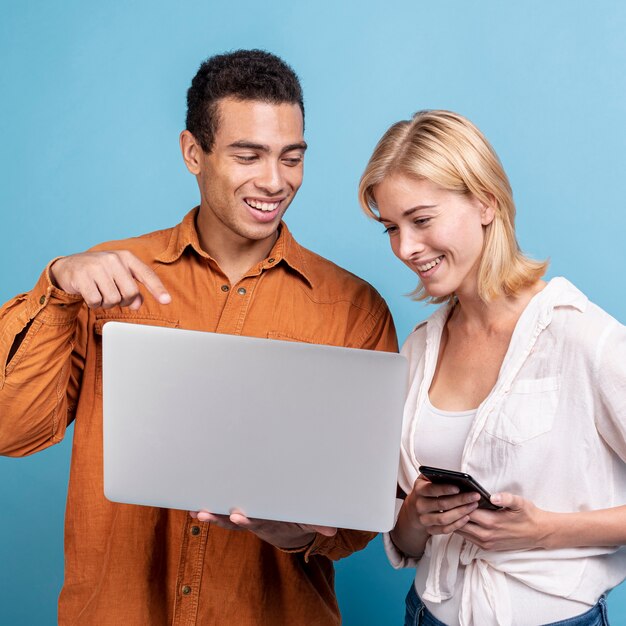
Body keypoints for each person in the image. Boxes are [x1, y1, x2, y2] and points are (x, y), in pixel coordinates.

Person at [0, 50, 397, 625]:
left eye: (292, 157)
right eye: (248, 155)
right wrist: (58, 283)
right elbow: (12, 430)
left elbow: (360, 516)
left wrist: (292, 535)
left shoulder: (352, 308)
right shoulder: (107, 278)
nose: (275, 181)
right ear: (194, 153)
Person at [358, 110, 625, 626]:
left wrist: (545, 530)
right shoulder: (418, 351)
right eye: (391, 228)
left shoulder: (580, 337)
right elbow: (402, 539)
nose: (405, 248)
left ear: (485, 202)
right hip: (427, 615)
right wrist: (414, 516)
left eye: (421, 219)